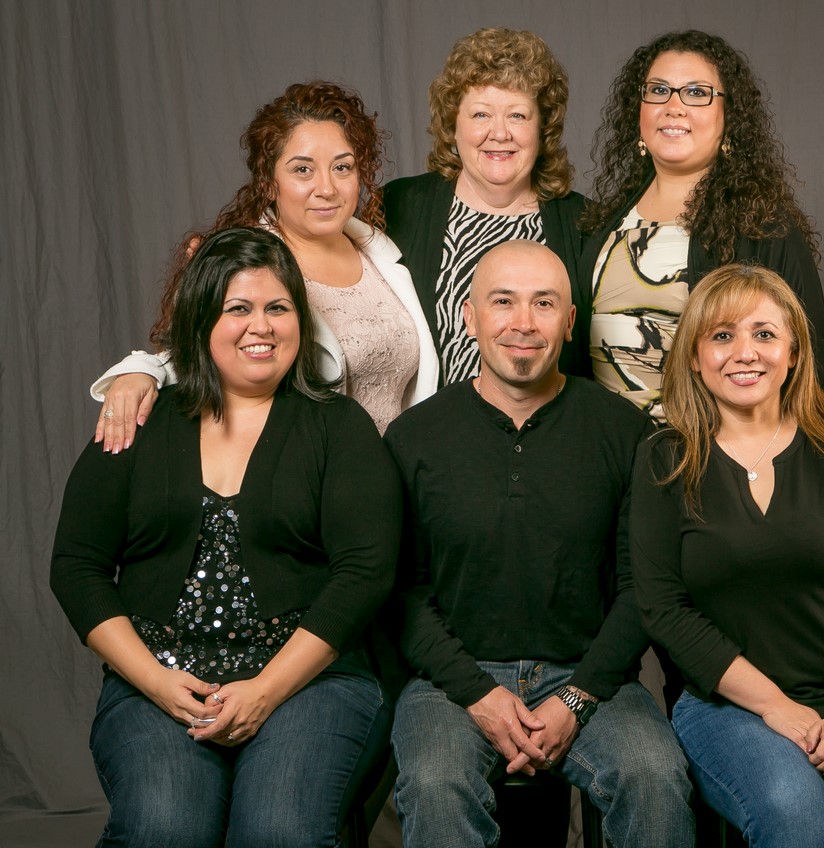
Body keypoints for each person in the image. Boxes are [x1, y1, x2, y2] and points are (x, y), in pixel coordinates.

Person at [51, 228, 402, 847]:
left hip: (309, 684)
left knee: (279, 832)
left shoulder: (338, 427)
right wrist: (156, 680)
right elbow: (76, 566)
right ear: (201, 320)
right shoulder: (141, 420)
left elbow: (364, 572)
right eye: (237, 308)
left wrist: (265, 691)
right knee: (167, 827)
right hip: (159, 685)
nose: (259, 327)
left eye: (277, 307)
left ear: (301, 318)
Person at [383, 240, 694, 847]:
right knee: (434, 782)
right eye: (503, 302)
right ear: (468, 317)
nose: (523, 324)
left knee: (656, 775)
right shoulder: (414, 437)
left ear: (570, 321)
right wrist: (478, 694)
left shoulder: (625, 432)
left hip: (590, 677)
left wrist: (577, 698)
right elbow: (401, 593)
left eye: (544, 304)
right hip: (453, 683)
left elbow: (644, 590)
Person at [630, 263, 824, 847]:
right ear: (694, 357)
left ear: (794, 353)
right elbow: (664, 609)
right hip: (731, 708)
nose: (744, 352)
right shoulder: (664, 460)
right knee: (794, 819)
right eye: (722, 336)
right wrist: (776, 707)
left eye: (764, 334)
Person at [94, 81, 437, 445]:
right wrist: (138, 373)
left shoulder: (381, 255)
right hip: (311, 478)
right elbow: (191, 354)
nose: (327, 188)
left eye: (342, 167)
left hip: (399, 480)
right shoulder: (246, 265)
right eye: (303, 170)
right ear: (269, 182)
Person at [581, 30, 824, 422]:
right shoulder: (603, 223)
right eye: (659, 90)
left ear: (729, 116)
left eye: (697, 92)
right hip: (603, 460)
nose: (674, 106)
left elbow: (813, 372)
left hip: (703, 462)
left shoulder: (764, 227)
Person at [383, 27, 589, 384]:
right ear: (453, 125)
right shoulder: (399, 207)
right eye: (481, 115)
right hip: (429, 434)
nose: (499, 133)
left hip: (549, 435)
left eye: (517, 116)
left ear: (542, 128)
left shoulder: (584, 224)